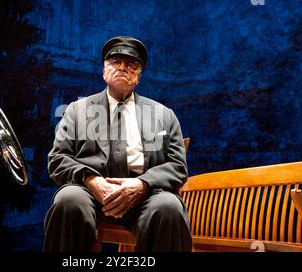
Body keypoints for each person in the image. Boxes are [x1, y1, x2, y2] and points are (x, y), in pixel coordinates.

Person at [44, 36, 192, 251]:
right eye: (115, 62)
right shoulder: (77, 110)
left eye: (132, 64)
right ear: (104, 71)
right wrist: (92, 180)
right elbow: (58, 159)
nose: (122, 68)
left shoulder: (164, 115)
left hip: (146, 196)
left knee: (168, 207)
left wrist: (142, 184)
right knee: (68, 200)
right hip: (90, 193)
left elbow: (178, 167)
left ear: (139, 76)